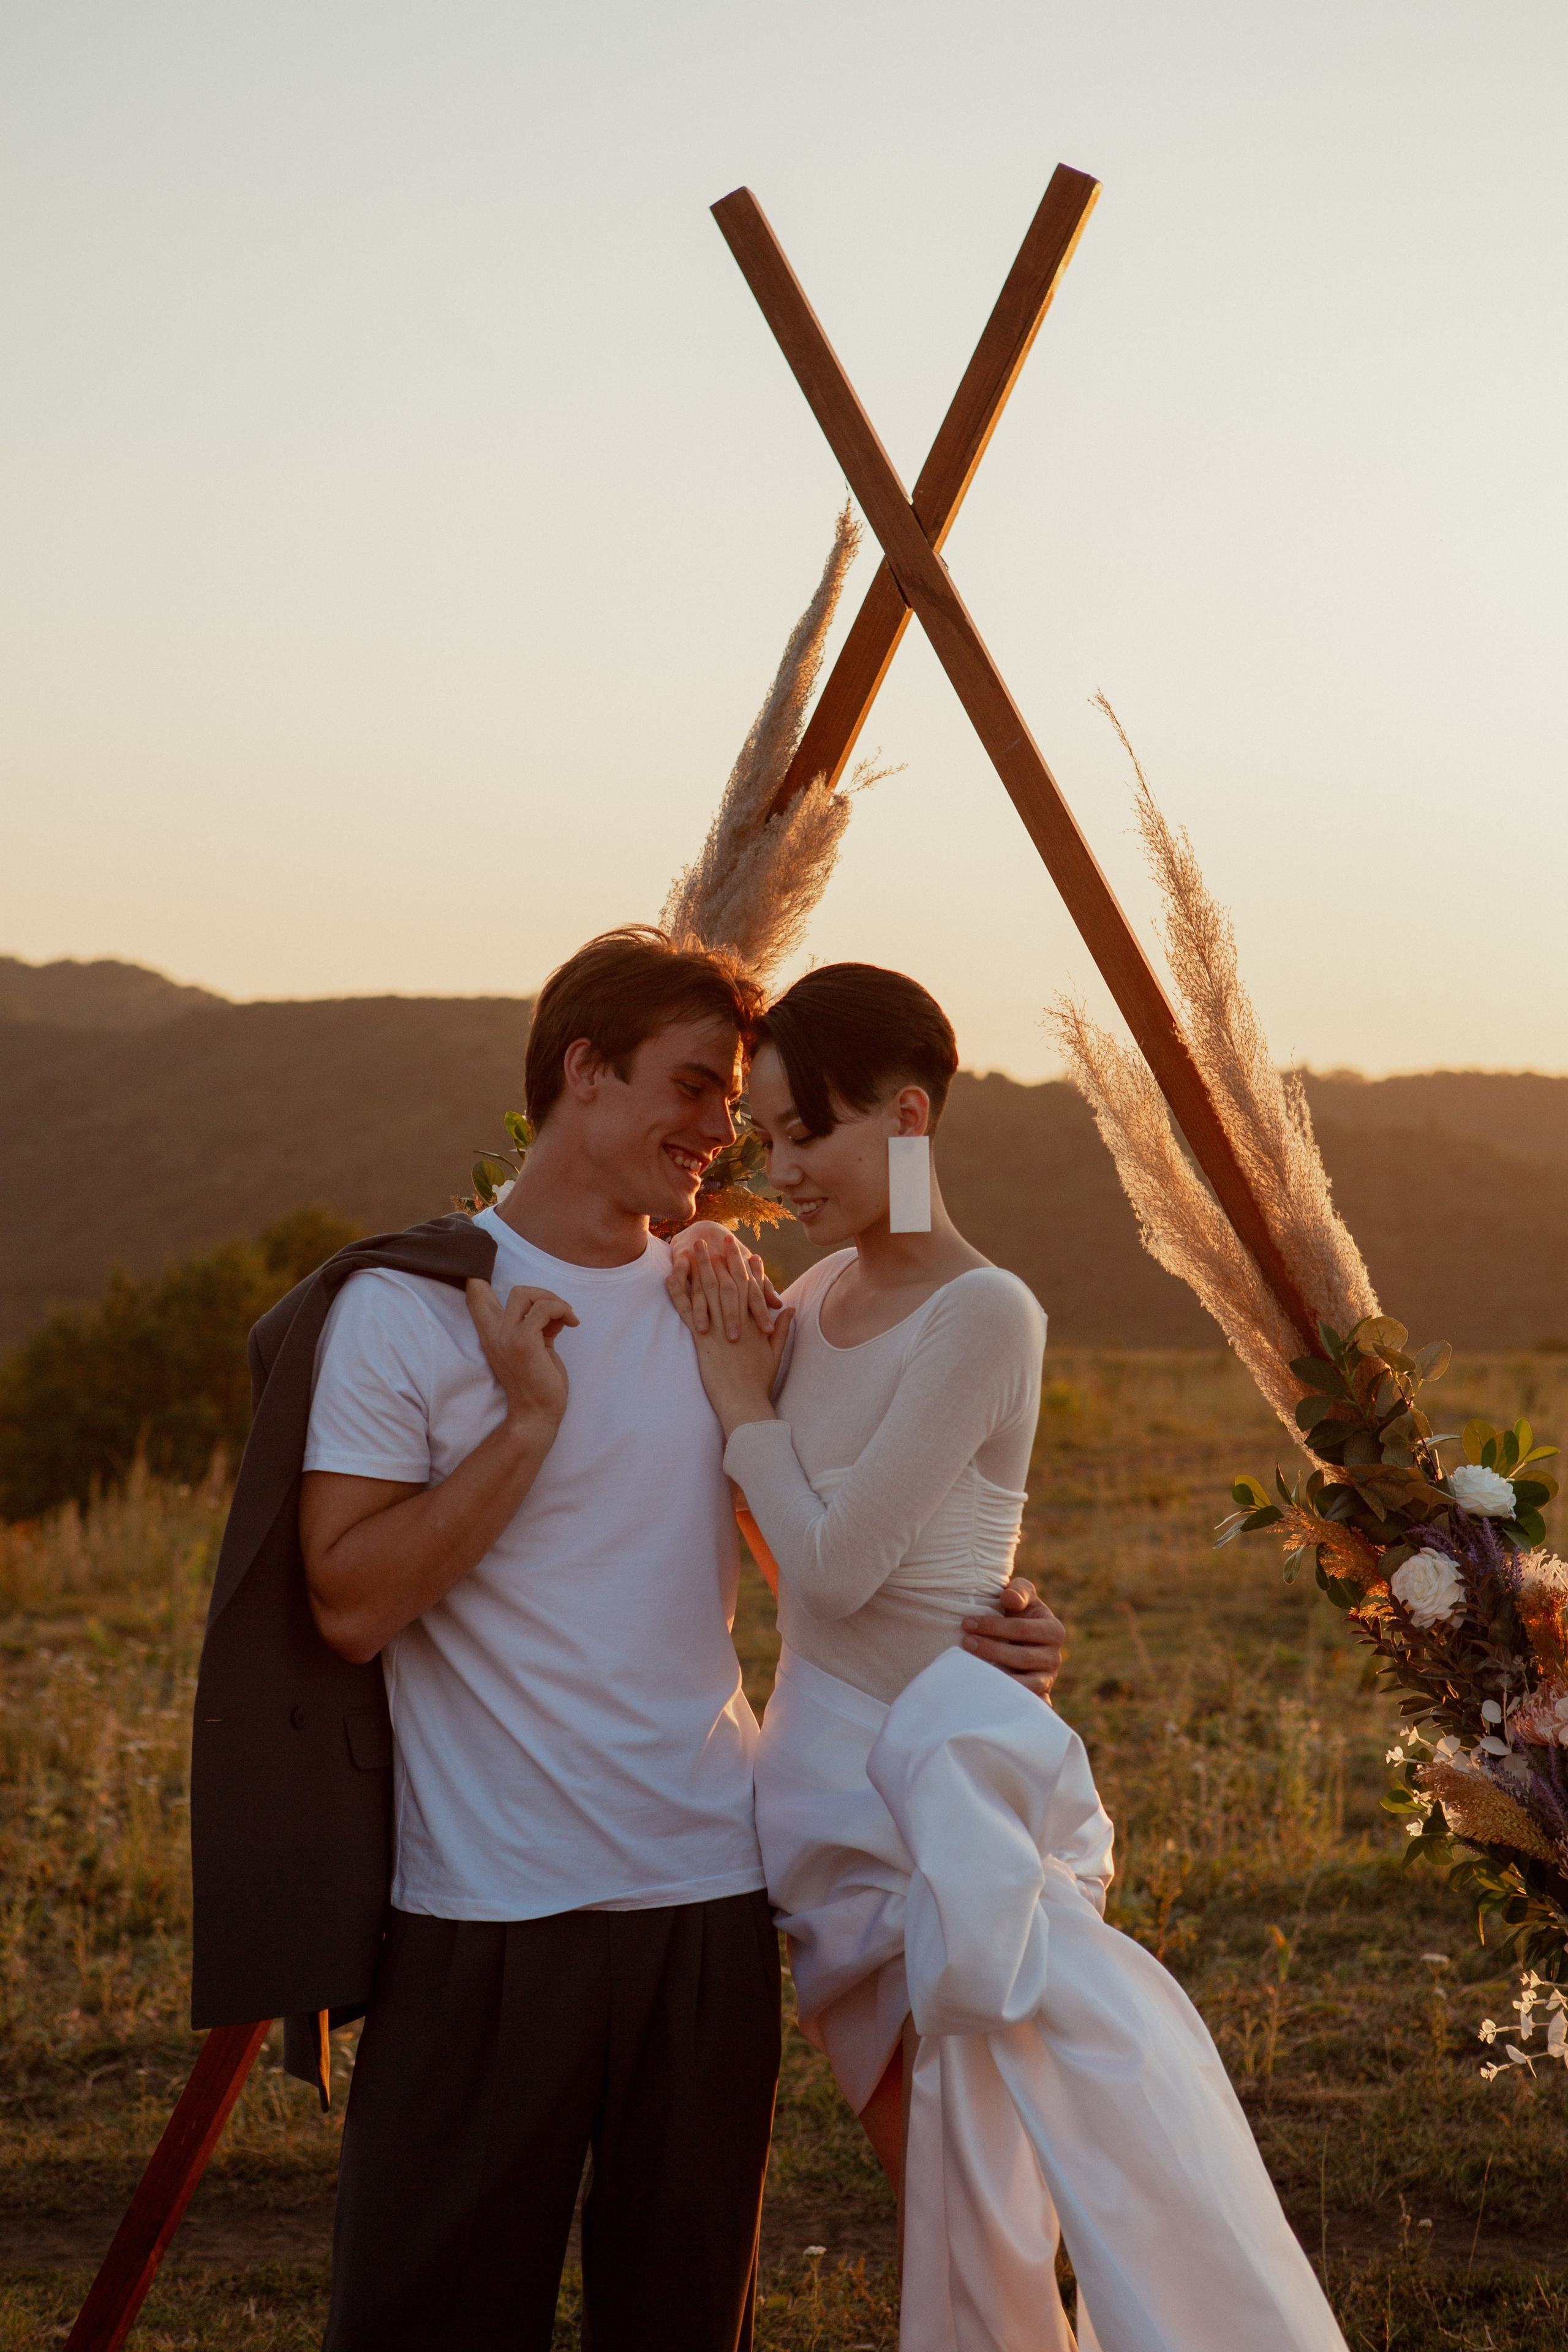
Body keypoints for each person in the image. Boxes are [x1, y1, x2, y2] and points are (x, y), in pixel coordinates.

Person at [295, 927, 1065, 2352]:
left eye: (747, 1111)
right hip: (483, 1911)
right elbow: (347, 1599)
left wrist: (989, 1626)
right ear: (582, 1075)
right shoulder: (404, 1309)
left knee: (682, 2324)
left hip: (709, 1904)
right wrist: (527, 1425)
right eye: (699, 1090)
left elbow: (819, 1552)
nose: (724, 1138)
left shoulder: (724, 1307)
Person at [666, 962, 1349, 2352]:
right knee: (928, 2164)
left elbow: (840, 1561)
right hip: (817, 1783)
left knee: (991, 2171)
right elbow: (772, 1528)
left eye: (813, 1132)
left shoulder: (986, 1313)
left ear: (907, 1116)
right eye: (769, 1136)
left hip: (936, 1785)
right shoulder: (815, 1301)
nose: (781, 1168)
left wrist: (739, 1397)